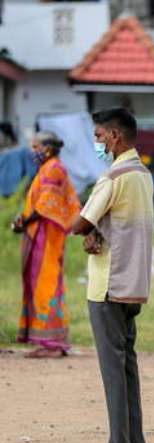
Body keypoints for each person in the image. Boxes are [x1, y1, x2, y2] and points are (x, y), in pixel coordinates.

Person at [71, 108, 154, 443]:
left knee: (112, 371)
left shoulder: (113, 176)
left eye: (100, 136)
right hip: (134, 282)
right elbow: (115, 223)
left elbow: (79, 223)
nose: (98, 143)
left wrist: (84, 225)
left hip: (107, 284)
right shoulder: (143, 174)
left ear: (115, 137)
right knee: (127, 368)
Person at [13, 132, 81, 358]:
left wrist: (24, 222)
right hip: (39, 234)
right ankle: (47, 341)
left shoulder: (54, 169)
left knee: (47, 284)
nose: (32, 151)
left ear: (48, 148)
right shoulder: (47, 168)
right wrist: (22, 222)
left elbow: (45, 205)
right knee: (40, 285)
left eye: (36, 146)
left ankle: (52, 342)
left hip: (47, 236)